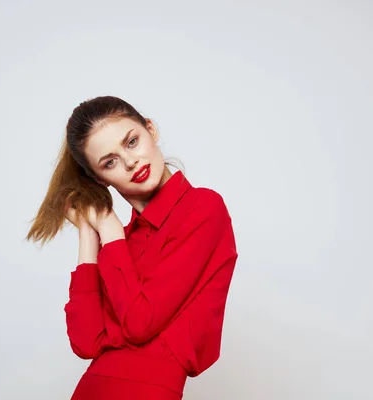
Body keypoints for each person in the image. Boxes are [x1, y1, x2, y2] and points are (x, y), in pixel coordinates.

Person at [26, 96, 238, 399]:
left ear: (151, 129)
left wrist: (110, 231)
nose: (130, 162)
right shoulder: (120, 245)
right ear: (99, 178)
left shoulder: (202, 209)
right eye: (109, 162)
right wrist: (89, 233)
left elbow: (140, 323)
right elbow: (86, 342)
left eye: (132, 141)